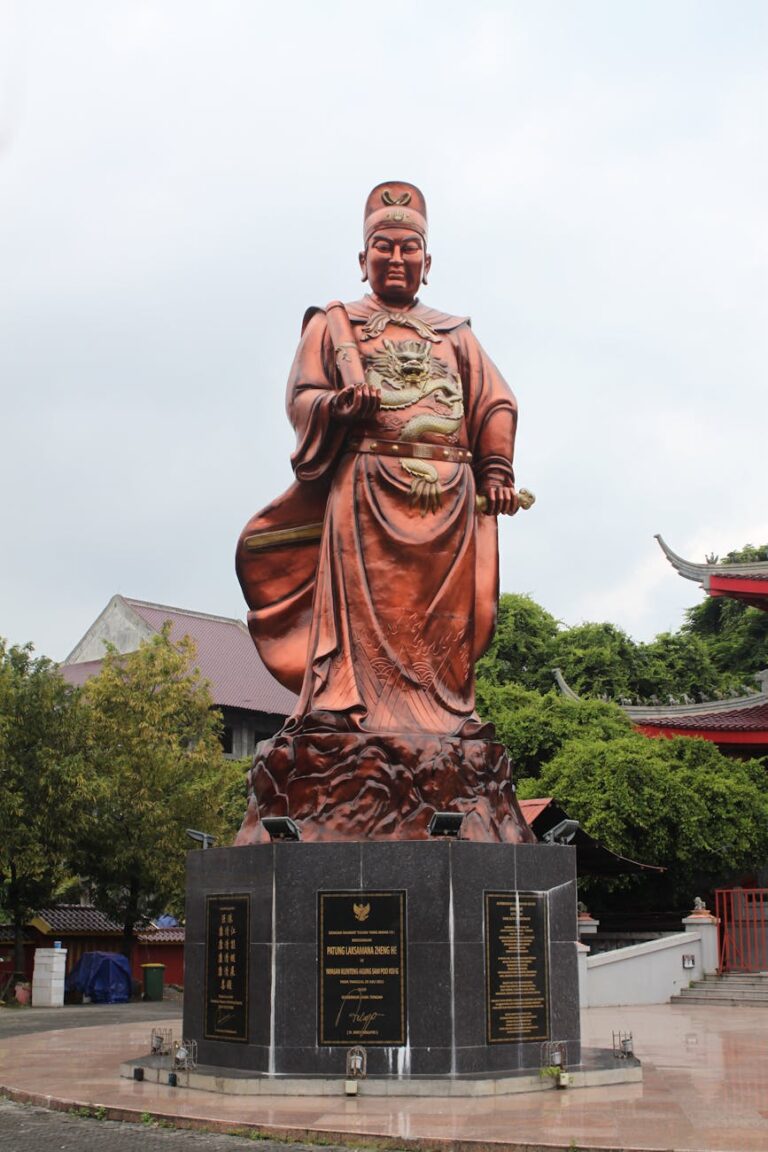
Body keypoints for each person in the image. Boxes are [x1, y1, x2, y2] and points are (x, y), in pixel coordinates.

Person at [235, 182, 531, 842]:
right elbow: (302, 396)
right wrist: (338, 406)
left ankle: (445, 718)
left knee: (442, 632)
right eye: (383, 247)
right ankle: (347, 707)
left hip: (448, 505)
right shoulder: (334, 324)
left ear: (429, 260)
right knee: (363, 628)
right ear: (362, 257)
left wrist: (496, 467)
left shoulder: (455, 334)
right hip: (367, 490)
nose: (396, 258)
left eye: (409, 248)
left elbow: (495, 402)